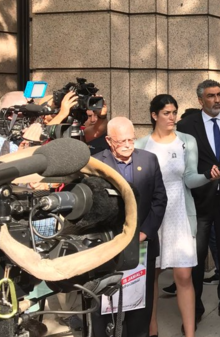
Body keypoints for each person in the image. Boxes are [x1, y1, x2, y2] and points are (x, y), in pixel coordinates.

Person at [136, 94, 218, 337]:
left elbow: (190, 178)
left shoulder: (187, 141)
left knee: (184, 275)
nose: (172, 117)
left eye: (174, 112)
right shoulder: (142, 144)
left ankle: (190, 333)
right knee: (151, 274)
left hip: (180, 212)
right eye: (167, 113)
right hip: (152, 215)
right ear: (154, 115)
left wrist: (208, 176)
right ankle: (152, 330)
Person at [174, 80, 220, 326]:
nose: (216, 100)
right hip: (199, 202)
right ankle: (193, 309)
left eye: (219, 95)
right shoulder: (185, 125)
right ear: (200, 100)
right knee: (195, 258)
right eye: (210, 96)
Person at [92, 117, 167, 337]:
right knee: (105, 307)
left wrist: (145, 232)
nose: (127, 144)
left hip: (142, 245)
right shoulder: (96, 163)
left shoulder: (149, 160)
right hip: (108, 246)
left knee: (140, 308)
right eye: (121, 140)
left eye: (131, 139)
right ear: (108, 140)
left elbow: (159, 200)